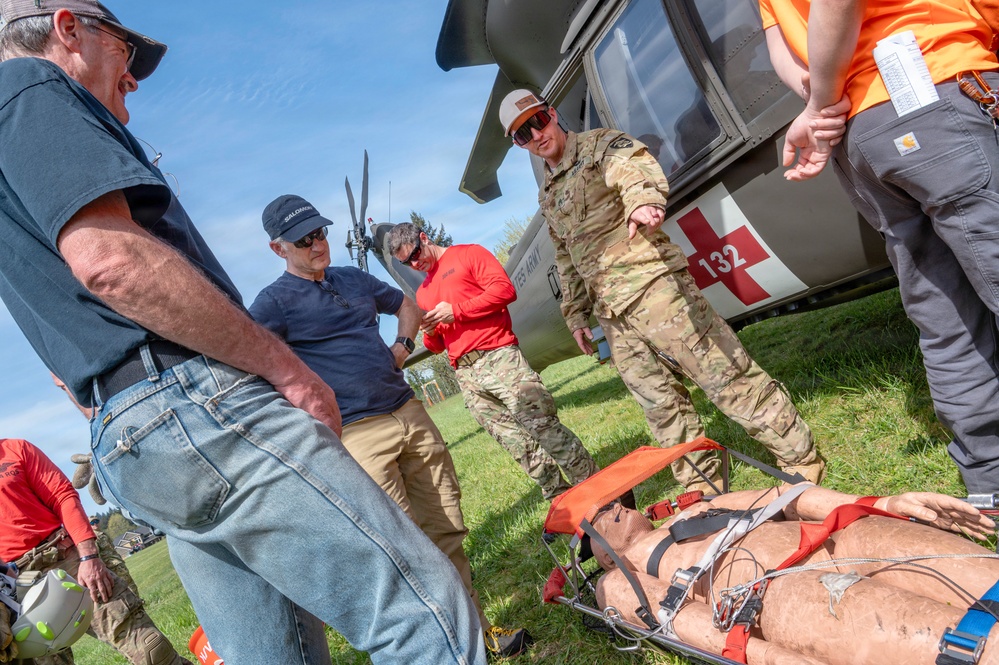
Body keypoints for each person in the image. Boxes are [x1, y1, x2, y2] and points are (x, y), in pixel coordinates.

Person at [0, 2, 484, 663]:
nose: (134, 80)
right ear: (67, 29)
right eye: (123, 52)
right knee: (421, 610)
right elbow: (110, 261)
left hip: (133, 435)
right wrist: (283, 368)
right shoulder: (30, 85)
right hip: (192, 399)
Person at [498, 88, 826, 492]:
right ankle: (703, 486)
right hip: (613, 315)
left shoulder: (600, 145)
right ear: (518, 144)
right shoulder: (548, 194)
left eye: (538, 120)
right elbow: (566, 256)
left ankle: (800, 458)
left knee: (723, 374)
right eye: (522, 134)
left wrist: (642, 201)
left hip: (655, 287)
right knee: (660, 406)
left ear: (551, 114)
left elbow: (633, 168)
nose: (536, 134)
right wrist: (576, 314)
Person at [248, 195, 532, 658]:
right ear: (279, 249)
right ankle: (444, 649)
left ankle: (477, 633)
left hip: (409, 412)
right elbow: (253, 358)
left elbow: (405, 304)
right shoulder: (272, 304)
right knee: (405, 551)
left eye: (321, 232)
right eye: (305, 240)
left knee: (446, 530)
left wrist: (401, 346)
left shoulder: (352, 278)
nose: (319, 244)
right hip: (359, 436)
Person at [759, 1, 999, 495]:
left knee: (943, 317)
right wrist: (822, 102)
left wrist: (820, 105)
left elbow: (785, 53)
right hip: (939, 85)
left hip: (861, 138)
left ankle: (989, 484)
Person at [591, 482, 999, 665]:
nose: (614, 507)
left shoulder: (699, 508)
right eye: (601, 518)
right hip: (779, 593)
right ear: (604, 556)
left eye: (610, 503)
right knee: (968, 644)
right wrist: (770, 657)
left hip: (836, 540)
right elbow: (676, 619)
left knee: (985, 576)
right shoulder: (619, 578)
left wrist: (885, 503)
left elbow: (790, 497)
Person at [387, 223, 600, 500]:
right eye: (407, 263)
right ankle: (562, 499)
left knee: (544, 428)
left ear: (424, 238)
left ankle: (598, 487)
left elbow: (505, 291)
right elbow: (438, 345)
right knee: (516, 445)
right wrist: (429, 332)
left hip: (499, 357)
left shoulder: (469, 254)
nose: (415, 264)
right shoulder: (424, 293)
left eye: (415, 254)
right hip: (466, 375)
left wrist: (457, 311)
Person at [0, 438, 193, 665]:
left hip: (63, 558)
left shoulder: (15, 449)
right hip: (13, 586)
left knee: (150, 649)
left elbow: (62, 495)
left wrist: (89, 556)